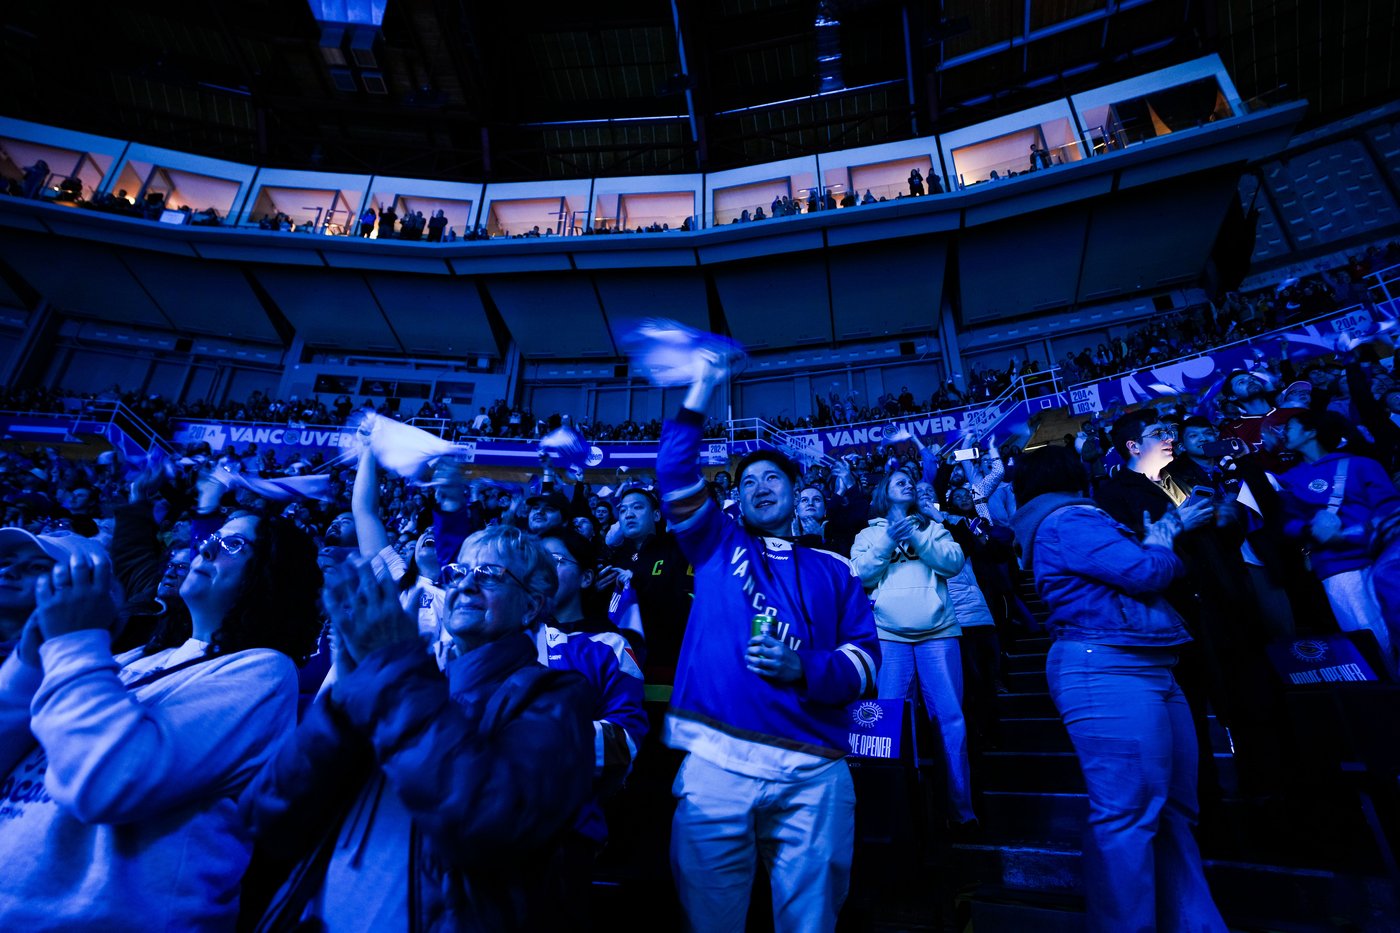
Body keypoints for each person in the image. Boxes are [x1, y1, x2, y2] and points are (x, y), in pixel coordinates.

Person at [242, 528, 593, 931]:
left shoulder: (557, 694)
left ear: (532, 606)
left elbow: (486, 821)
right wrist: (346, 696)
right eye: (458, 571)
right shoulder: (399, 678)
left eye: (490, 573)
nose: (465, 584)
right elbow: (266, 814)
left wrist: (391, 666)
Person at [0, 514, 322, 931]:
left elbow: (109, 782)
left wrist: (73, 642)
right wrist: (29, 663)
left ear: (274, 576)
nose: (204, 549)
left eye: (234, 546)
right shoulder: (130, 660)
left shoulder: (263, 672)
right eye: (213, 538)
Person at [656, 351, 880, 933]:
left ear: (796, 487)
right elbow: (675, 472)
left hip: (816, 767)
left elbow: (864, 662)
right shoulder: (714, 545)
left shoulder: (835, 567)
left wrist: (802, 667)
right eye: (746, 481)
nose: (758, 487)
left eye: (771, 477)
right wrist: (701, 386)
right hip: (715, 762)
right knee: (709, 921)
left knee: (811, 923)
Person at [1009, 445, 1227, 933]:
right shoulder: (1069, 519)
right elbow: (1145, 571)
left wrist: (1157, 542)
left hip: (1144, 661)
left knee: (1172, 813)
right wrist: (1166, 534)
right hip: (1106, 665)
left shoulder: (1071, 518)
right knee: (1127, 819)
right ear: (1073, 475)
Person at [850, 470, 974, 826]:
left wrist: (917, 535)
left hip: (939, 632)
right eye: (898, 481)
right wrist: (889, 538)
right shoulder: (868, 533)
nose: (907, 484)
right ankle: (892, 812)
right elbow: (859, 575)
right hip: (889, 636)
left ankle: (960, 811)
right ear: (883, 492)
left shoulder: (932, 527)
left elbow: (953, 562)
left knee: (950, 721)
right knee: (887, 725)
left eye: (910, 482)